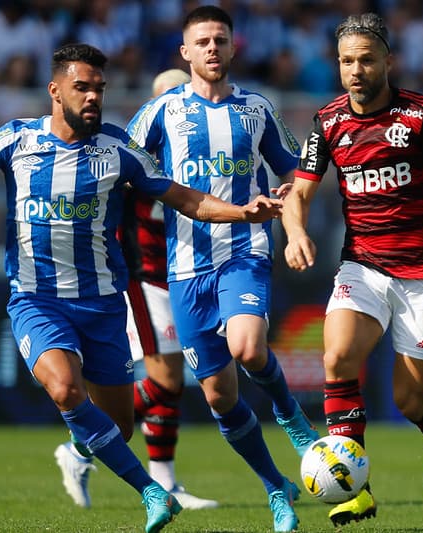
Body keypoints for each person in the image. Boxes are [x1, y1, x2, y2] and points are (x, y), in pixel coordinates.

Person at [0, 43, 283, 533]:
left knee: (118, 428)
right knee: (65, 387)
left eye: (99, 88)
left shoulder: (118, 150)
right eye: (82, 87)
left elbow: (183, 197)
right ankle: (155, 492)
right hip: (37, 298)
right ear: (55, 91)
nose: (93, 96)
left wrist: (243, 212)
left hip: (103, 305)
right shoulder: (16, 140)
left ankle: (88, 456)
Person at [281, 12, 423, 527]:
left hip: (422, 273)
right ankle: (356, 490)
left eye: (366, 60)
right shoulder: (328, 122)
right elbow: (298, 192)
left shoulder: (419, 116)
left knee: (409, 399)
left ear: (388, 61)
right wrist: (297, 232)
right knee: (338, 354)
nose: (355, 70)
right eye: (347, 60)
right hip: (363, 267)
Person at [126, 6, 320, 532]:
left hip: (244, 249)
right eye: (203, 42)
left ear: (234, 48)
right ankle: (276, 486)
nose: (213, 49)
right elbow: (122, 167)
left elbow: (296, 172)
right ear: (185, 53)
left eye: (221, 40)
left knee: (249, 348)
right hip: (185, 269)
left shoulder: (257, 108)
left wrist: (290, 208)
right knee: (219, 396)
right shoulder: (159, 113)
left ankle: (291, 415)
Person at [55, 67, 218, 512]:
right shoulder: (132, 152)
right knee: (166, 379)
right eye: (167, 98)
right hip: (141, 274)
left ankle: (154, 476)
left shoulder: (200, 148)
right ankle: (80, 446)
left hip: (186, 273)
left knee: (174, 382)